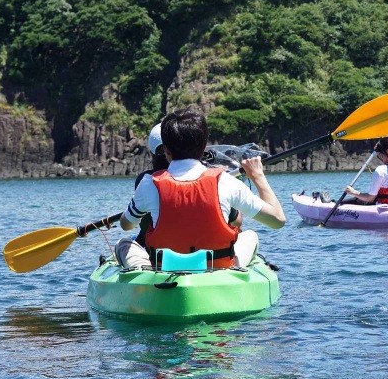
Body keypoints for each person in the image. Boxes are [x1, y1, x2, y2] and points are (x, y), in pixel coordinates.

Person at [115, 109, 286, 270]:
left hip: (163, 269)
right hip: (218, 269)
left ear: (166, 150)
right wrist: (258, 176)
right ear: (204, 147)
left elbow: (126, 225)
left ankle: (144, 277)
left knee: (124, 243)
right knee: (250, 236)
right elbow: (277, 220)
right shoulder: (226, 181)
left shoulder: (147, 183)